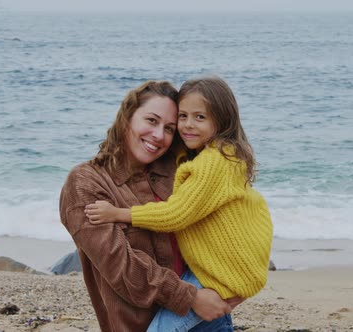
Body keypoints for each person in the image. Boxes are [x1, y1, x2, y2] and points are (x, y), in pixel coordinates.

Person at [85, 76, 274, 331]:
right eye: (182, 117)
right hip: (213, 271)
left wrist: (120, 214)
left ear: (222, 120)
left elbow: (177, 213)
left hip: (211, 276)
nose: (187, 126)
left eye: (200, 117)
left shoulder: (212, 163)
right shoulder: (218, 157)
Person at [59, 80, 236, 332]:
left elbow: (228, 222)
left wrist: (235, 288)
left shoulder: (181, 170)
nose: (158, 135)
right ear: (127, 118)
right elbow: (121, 266)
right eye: (151, 121)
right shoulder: (85, 182)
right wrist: (191, 297)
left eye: (169, 128)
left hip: (206, 320)